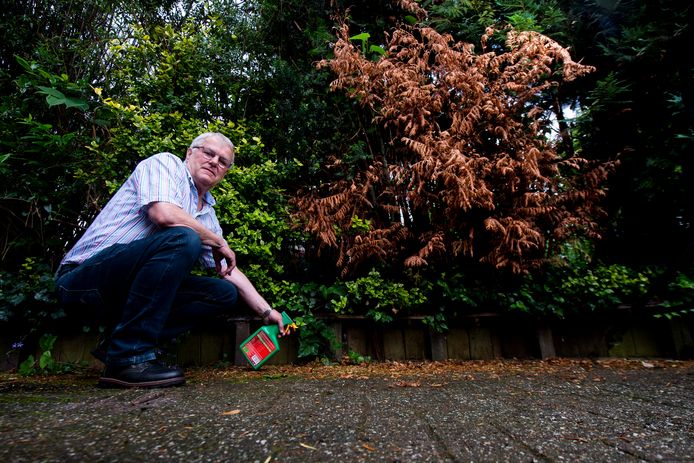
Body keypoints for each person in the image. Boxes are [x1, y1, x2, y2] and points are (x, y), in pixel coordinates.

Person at [55, 132, 286, 388]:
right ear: (189, 153)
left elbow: (228, 270)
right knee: (184, 238)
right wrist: (218, 241)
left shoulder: (206, 215)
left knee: (222, 293)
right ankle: (129, 357)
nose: (214, 162)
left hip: (126, 293)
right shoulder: (165, 165)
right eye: (208, 153)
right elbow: (163, 214)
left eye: (222, 162)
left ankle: (118, 345)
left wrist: (267, 311)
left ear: (225, 173)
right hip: (83, 282)